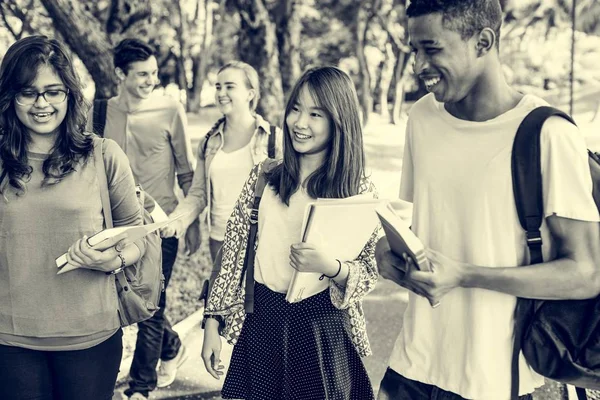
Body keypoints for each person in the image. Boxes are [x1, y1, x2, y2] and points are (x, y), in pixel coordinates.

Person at [375, 1, 600, 400]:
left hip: (494, 379)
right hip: (412, 364)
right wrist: (389, 254)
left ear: (483, 41)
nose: (417, 65)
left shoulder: (548, 134)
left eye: (431, 48)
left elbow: (585, 273)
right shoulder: (423, 118)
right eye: (413, 50)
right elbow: (427, 225)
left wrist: (464, 275)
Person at [199, 66, 379, 400]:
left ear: (339, 121)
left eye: (315, 114)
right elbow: (234, 251)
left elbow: (368, 272)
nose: (299, 122)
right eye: (295, 108)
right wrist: (213, 321)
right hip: (262, 321)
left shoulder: (357, 191)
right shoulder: (265, 176)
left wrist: (331, 266)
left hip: (320, 327)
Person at [0, 35, 146, 400]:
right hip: (9, 339)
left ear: (69, 93)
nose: (42, 104)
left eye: (53, 91)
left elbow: (138, 239)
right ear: (10, 97)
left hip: (90, 338)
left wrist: (111, 260)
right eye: (28, 92)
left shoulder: (103, 155)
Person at [86, 38, 195, 399]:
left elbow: (186, 173)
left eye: (154, 73)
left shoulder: (170, 110)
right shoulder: (98, 112)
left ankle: (140, 388)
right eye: (143, 74)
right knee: (124, 300)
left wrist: (188, 221)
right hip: (111, 227)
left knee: (151, 303)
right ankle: (171, 346)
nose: (151, 80)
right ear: (120, 74)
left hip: (159, 225)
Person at [162, 61, 282, 263]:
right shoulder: (209, 142)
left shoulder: (273, 139)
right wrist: (176, 222)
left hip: (262, 241)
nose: (221, 92)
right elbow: (198, 194)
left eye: (229, 86)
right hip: (220, 241)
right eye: (218, 87)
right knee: (220, 296)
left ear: (250, 94)